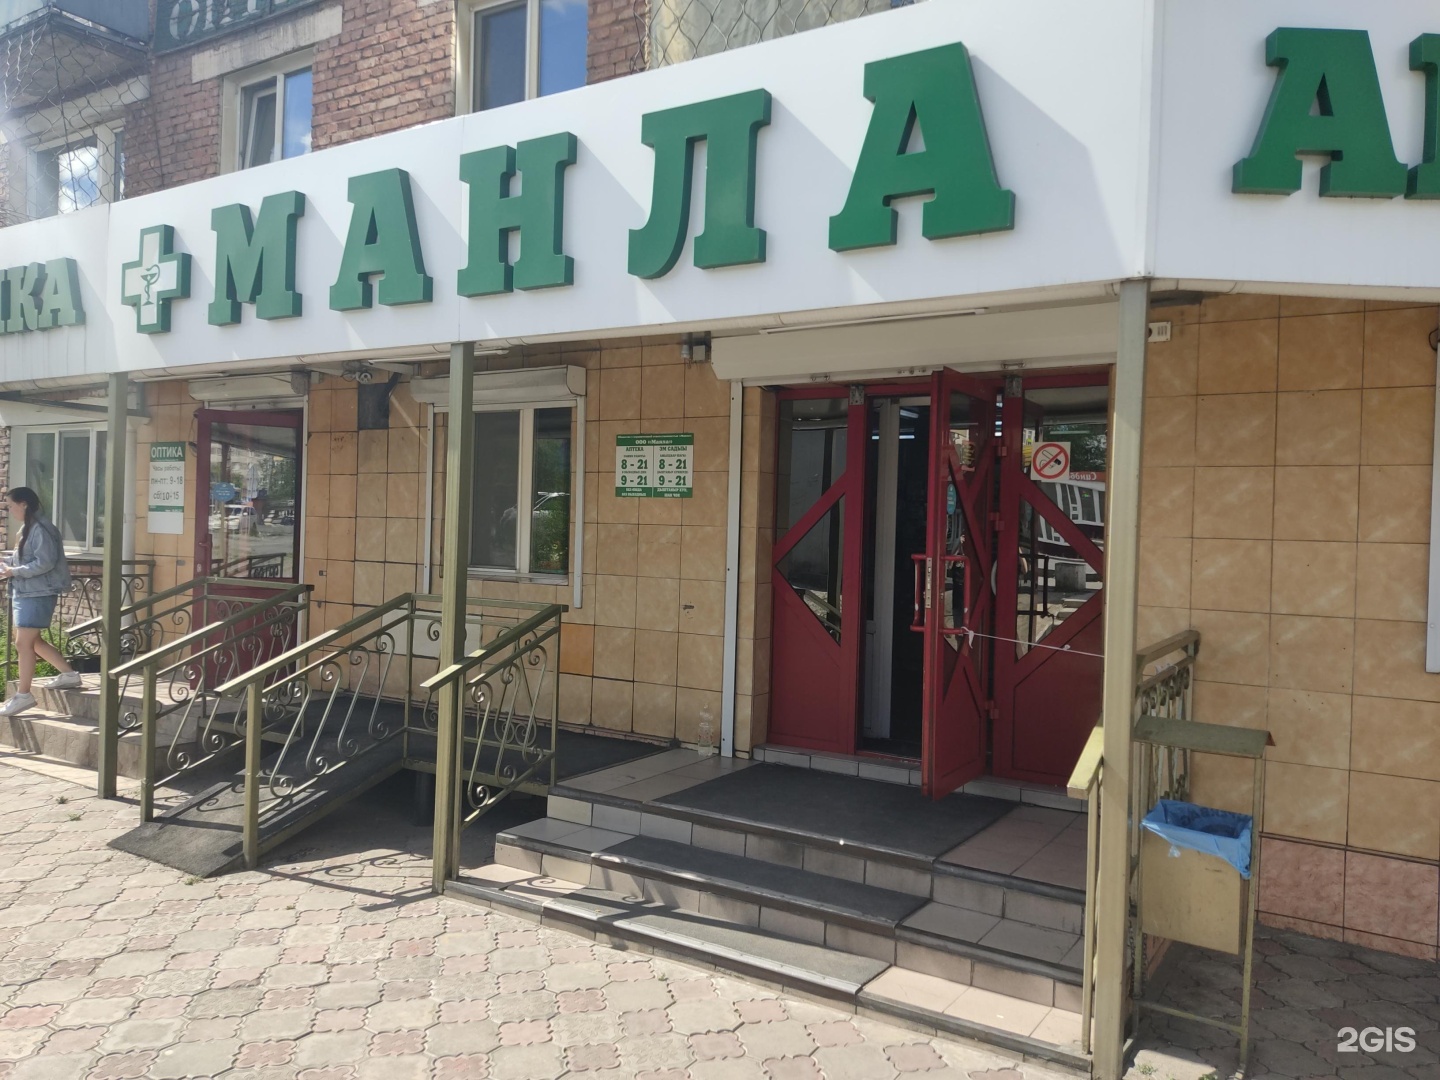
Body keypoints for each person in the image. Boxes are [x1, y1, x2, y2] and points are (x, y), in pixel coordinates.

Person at [0, 487, 78, 716]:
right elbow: (27, 558)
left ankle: (23, 695)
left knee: (22, 643)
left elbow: (45, 562)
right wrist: (8, 565)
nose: (9, 510)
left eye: (11, 505)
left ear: (24, 504)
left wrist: (15, 571)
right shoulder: (28, 528)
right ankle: (69, 675)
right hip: (27, 592)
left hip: (38, 593)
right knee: (32, 641)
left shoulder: (41, 528)